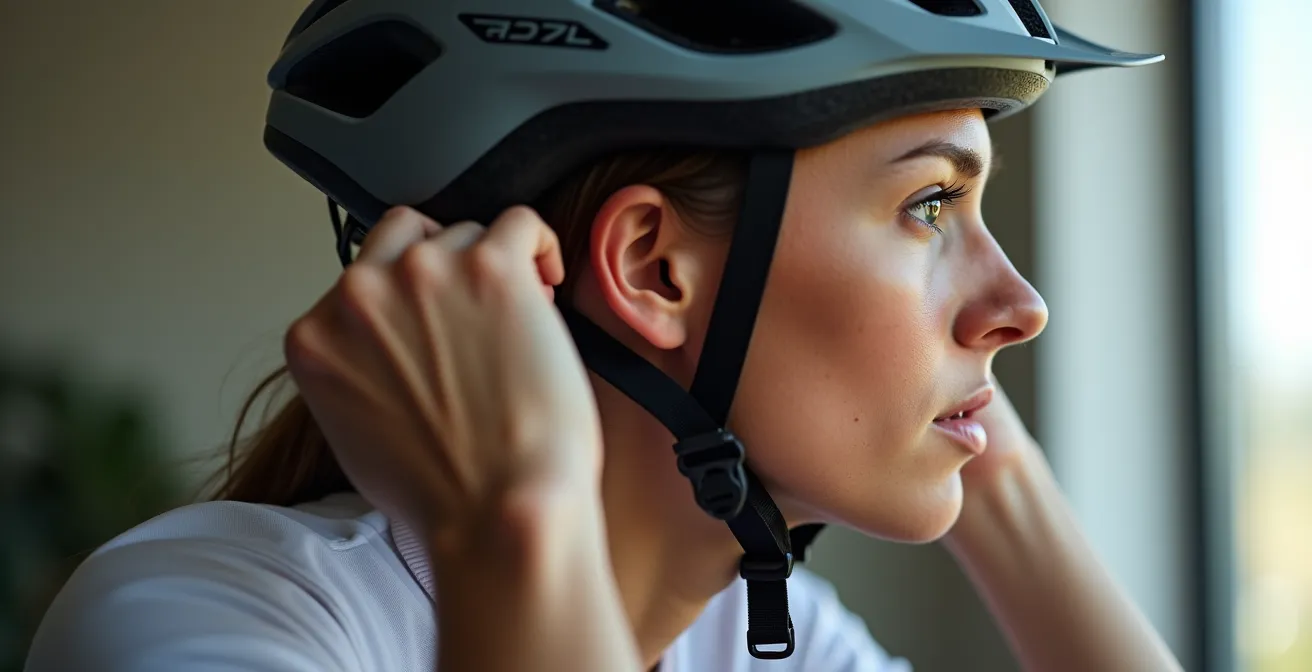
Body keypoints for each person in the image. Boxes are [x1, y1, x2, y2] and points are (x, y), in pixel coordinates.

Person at [26, 1, 1186, 670]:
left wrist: (993, 458)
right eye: (932, 206)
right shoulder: (207, 618)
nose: (1023, 304)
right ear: (651, 269)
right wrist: (513, 516)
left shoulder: (747, 636)